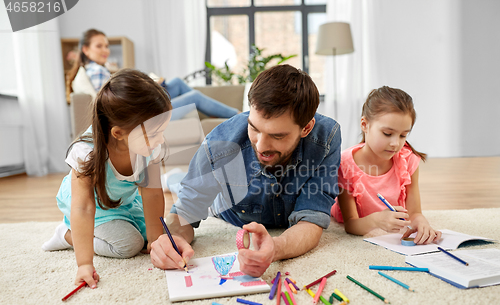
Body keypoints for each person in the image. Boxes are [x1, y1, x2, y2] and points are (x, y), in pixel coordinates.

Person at [150, 64, 342, 277]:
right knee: (183, 186)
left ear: (306, 128)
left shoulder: (326, 138)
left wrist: (275, 248)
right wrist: (172, 238)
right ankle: (174, 178)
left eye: (277, 136)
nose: (260, 146)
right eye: (254, 128)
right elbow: (184, 214)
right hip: (227, 208)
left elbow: (312, 219)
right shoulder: (218, 145)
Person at [42, 69, 171, 288]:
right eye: (154, 133)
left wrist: (156, 242)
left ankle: (130, 228)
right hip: (91, 205)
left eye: (163, 130)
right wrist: (84, 264)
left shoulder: (150, 147)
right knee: (129, 245)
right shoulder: (86, 152)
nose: (161, 140)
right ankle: (67, 234)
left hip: (122, 201)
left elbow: (153, 194)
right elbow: (83, 207)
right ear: (119, 133)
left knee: (160, 234)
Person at [331, 86, 442, 244]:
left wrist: (420, 221)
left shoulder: (407, 159)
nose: (395, 143)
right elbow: (351, 224)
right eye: (387, 134)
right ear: (364, 125)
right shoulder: (344, 164)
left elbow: (415, 212)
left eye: (403, 135)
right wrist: (376, 220)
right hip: (359, 221)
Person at [66, 28, 239, 120]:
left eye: (106, 45)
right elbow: (116, 100)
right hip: (141, 114)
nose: (105, 50)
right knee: (194, 97)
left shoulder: (95, 70)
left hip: (139, 107)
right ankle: (236, 115)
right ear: (86, 50)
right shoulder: (96, 71)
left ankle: (219, 113)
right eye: (99, 46)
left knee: (177, 83)